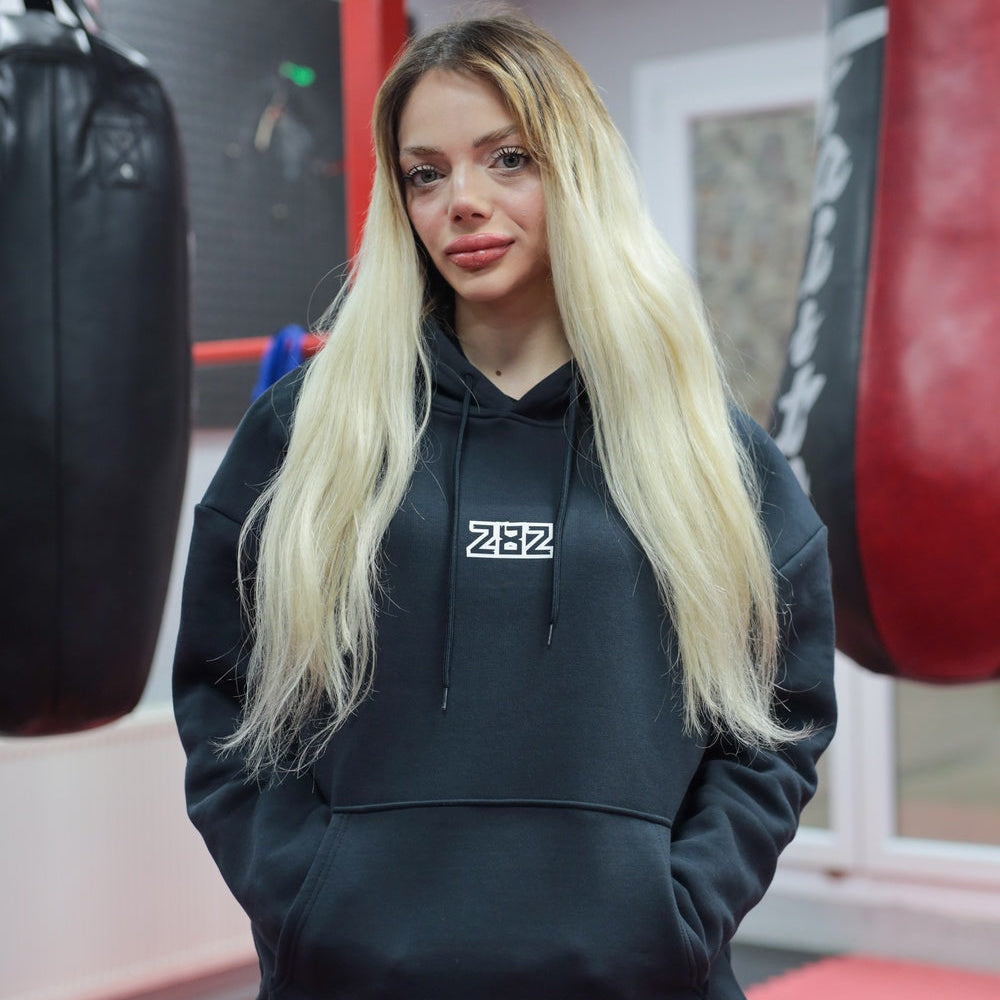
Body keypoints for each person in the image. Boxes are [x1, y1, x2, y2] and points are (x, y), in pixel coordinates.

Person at [173, 11, 836, 1000]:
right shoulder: (309, 433)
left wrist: (678, 911)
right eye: (426, 174)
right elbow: (220, 691)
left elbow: (781, 713)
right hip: (357, 977)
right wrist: (310, 895)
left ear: (578, 170)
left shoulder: (701, 446)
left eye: (507, 158)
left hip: (638, 977)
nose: (463, 203)